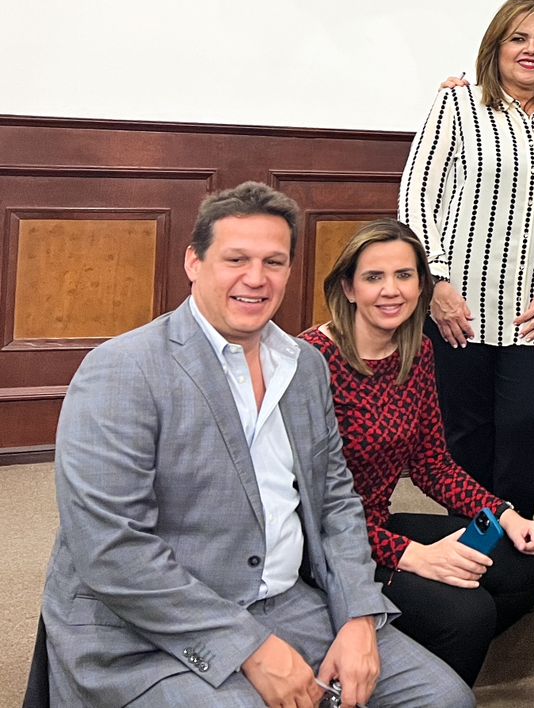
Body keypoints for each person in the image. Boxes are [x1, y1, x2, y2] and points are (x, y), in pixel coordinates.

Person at [41, 182, 472, 707]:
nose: (256, 278)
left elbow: (336, 502)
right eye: (236, 259)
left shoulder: (304, 365)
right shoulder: (121, 370)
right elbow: (111, 548)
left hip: (288, 605)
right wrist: (247, 645)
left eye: (274, 262)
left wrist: (359, 612)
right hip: (149, 627)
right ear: (194, 262)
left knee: (444, 698)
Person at [301, 219, 534, 684]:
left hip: (378, 526)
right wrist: (411, 555)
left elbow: (432, 465)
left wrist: (503, 514)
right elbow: (305, 508)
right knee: (467, 614)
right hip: (323, 549)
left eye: (404, 275)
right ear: (348, 288)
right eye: (374, 277)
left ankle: (411, 668)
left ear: (422, 285)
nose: (391, 290)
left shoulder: (417, 350)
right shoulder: (311, 361)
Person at [400, 0, 534, 576]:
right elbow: (417, 197)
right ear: (496, 45)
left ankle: (511, 545)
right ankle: (468, 543)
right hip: (459, 306)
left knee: (528, 426)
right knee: (465, 432)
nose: (531, 50)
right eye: (519, 38)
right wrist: (435, 283)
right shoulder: (457, 106)